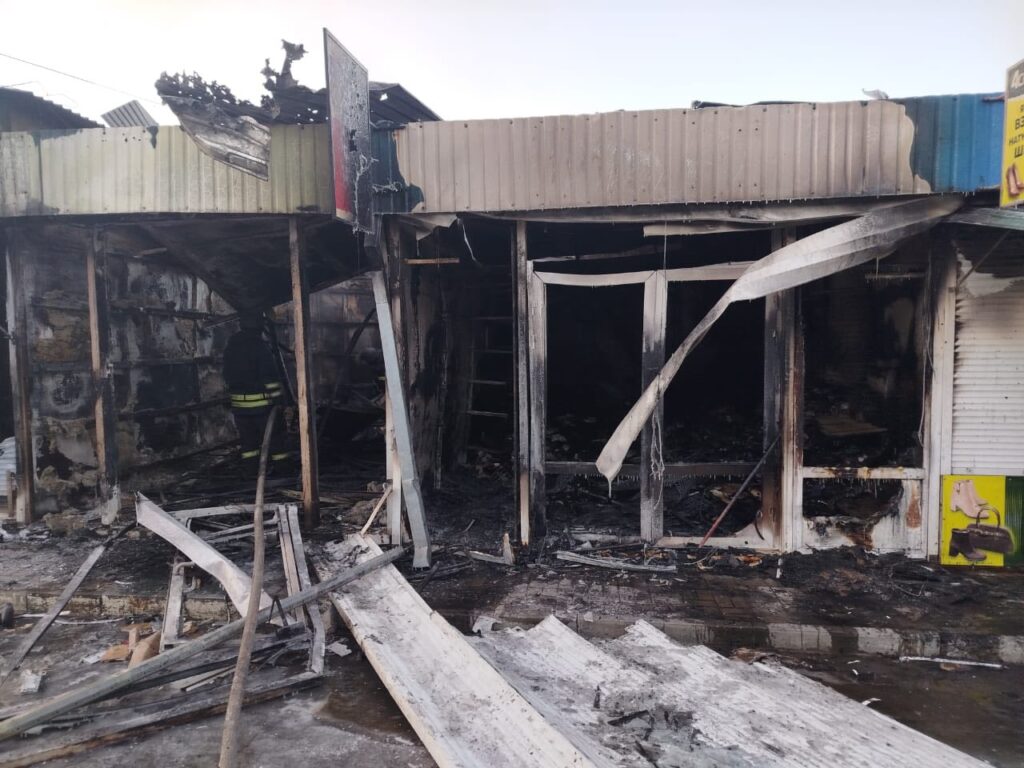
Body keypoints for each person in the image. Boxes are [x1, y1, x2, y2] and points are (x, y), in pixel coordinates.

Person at [223, 311, 288, 466]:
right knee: (276, 440)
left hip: (239, 408)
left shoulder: (231, 347)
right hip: (262, 408)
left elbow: (226, 374)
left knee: (249, 444)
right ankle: (282, 470)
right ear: (259, 326)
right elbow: (269, 378)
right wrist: (280, 400)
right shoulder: (260, 347)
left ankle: (251, 471)